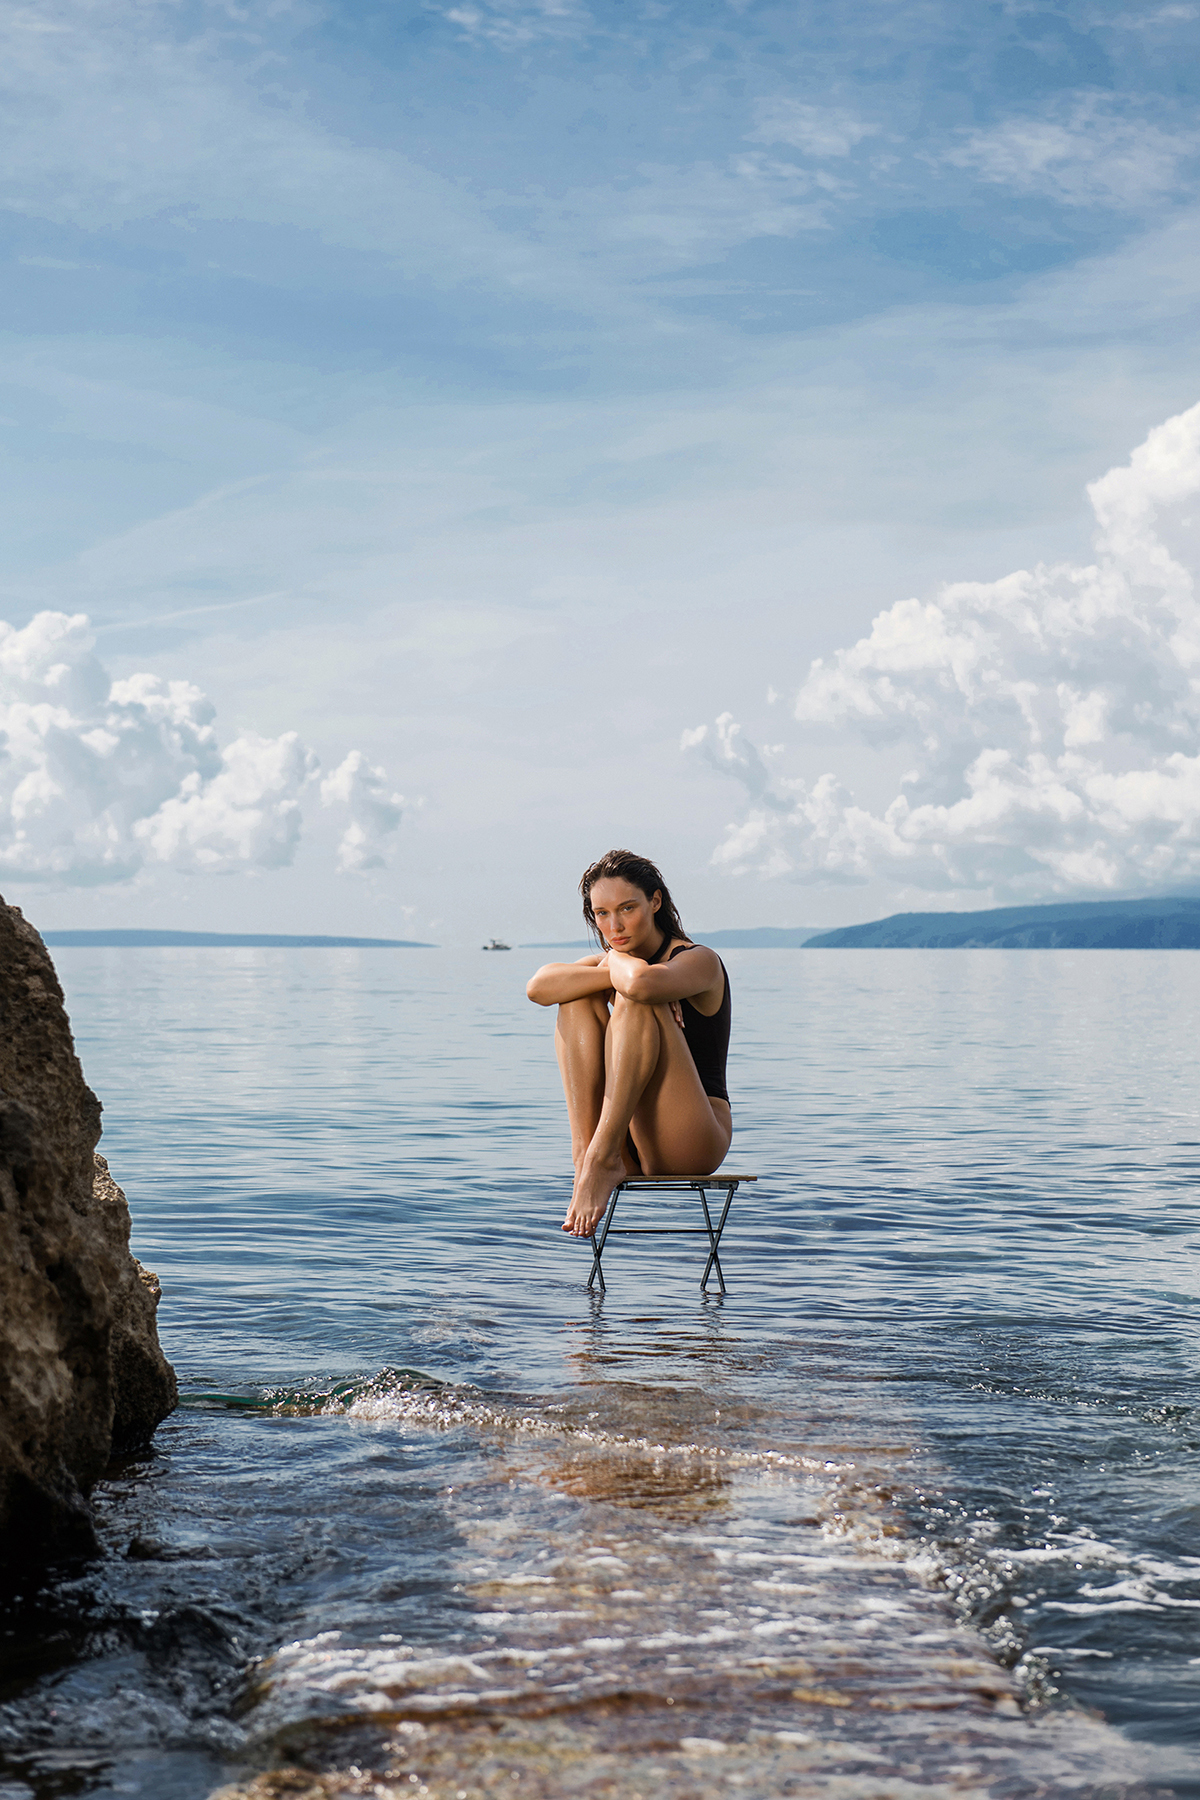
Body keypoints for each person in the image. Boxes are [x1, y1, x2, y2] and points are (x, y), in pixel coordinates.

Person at [527, 849, 732, 1239]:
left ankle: (602, 1158)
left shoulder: (698, 960)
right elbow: (538, 987)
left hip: (693, 1137)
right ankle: (587, 1156)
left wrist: (617, 967)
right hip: (630, 1140)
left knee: (637, 1001)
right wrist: (615, 968)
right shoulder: (616, 962)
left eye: (627, 908)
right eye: (601, 914)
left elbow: (638, 984)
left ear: (655, 902)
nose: (614, 925)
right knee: (574, 1002)